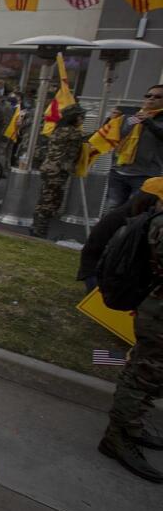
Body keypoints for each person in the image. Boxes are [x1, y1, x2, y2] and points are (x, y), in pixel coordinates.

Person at [98, 177, 163, 483]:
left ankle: (132, 426)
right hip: (157, 315)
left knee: (151, 375)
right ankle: (118, 437)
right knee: (143, 374)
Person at [78, 189, 162, 291]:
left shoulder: (155, 223)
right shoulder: (117, 219)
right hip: (105, 273)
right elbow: (92, 252)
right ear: (150, 201)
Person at [31, 105, 86, 238]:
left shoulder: (58, 129)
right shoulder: (74, 132)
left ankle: (36, 226)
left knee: (45, 197)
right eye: (80, 116)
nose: (82, 119)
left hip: (49, 167)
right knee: (51, 200)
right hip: (59, 170)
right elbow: (77, 151)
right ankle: (40, 230)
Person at [104, 85, 163, 210]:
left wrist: (149, 122)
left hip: (145, 175)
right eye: (148, 96)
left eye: (157, 97)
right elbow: (112, 136)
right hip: (118, 172)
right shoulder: (133, 116)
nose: (151, 99)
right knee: (111, 210)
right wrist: (111, 120)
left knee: (135, 213)